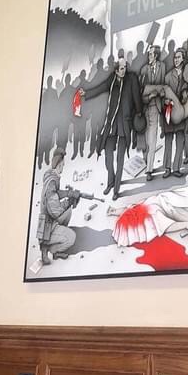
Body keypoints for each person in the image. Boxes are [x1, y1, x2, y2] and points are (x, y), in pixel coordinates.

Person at [104, 170, 188, 246]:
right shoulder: (138, 209)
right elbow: (126, 209)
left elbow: (168, 226)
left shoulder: (149, 216)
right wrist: (114, 211)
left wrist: (186, 225)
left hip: (173, 204)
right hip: (169, 199)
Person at [79, 57, 143, 200]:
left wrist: (138, 113)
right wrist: (86, 93)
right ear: (116, 71)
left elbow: (137, 98)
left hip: (124, 125)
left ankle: (116, 189)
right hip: (112, 124)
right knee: (108, 156)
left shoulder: (131, 79)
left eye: (125, 67)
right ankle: (111, 181)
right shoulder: (112, 80)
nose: (124, 70)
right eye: (122, 68)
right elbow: (101, 88)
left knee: (120, 159)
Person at [36, 149, 81, 264]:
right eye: (62, 165)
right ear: (59, 165)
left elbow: (55, 194)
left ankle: (53, 242)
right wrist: (69, 201)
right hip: (48, 225)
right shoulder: (52, 182)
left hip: (49, 220)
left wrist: (68, 193)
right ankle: (52, 249)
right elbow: (55, 211)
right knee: (72, 237)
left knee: (68, 211)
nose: (63, 167)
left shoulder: (51, 176)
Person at [139, 45, 166, 180]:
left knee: (152, 138)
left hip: (156, 107)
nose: (149, 56)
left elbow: (163, 85)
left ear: (156, 55)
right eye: (148, 54)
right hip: (144, 107)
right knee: (145, 140)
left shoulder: (162, 66)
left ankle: (149, 170)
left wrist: (159, 93)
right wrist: (149, 95)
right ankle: (146, 161)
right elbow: (140, 90)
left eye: (151, 54)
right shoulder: (144, 69)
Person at [161, 48, 188, 178]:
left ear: (183, 59)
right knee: (168, 141)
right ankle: (167, 168)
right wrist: (165, 101)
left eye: (178, 57)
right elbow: (162, 95)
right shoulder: (167, 76)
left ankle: (176, 168)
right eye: (175, 57)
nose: (176, 60)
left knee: (180, 140)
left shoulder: (186, 75)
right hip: (168, 112)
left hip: (181, 112)